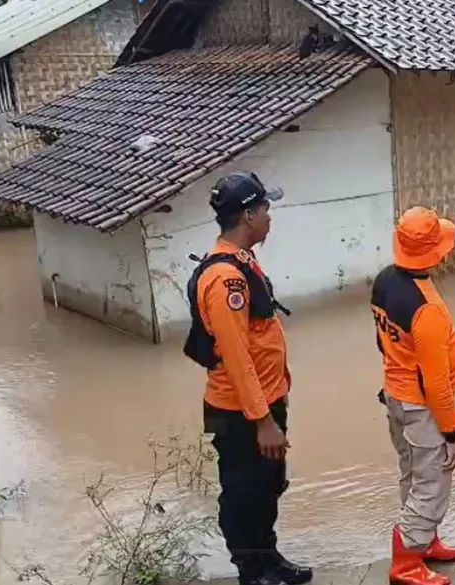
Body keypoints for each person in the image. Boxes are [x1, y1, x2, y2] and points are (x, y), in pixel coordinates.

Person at [183, 171, 312, 585]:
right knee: (243, 493)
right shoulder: (225, 280)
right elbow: (237, 358)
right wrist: (263, 422)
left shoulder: (242, 261)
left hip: (264, 402)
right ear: (247, 216)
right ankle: (251, 572)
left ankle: (269, 558)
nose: (270, 216)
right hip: (240, 412)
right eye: (265, 208)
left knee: (268, 487)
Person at [371, 206, 455, 585]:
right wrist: (453, 434)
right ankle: (406, 564)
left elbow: (382, 341)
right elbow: (436, 383)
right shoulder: (427, 310)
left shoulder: (384, 281)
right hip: (421, 406)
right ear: (436, 251)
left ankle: (423, 542)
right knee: (433, 480)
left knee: (412, 473)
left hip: (395, 396)